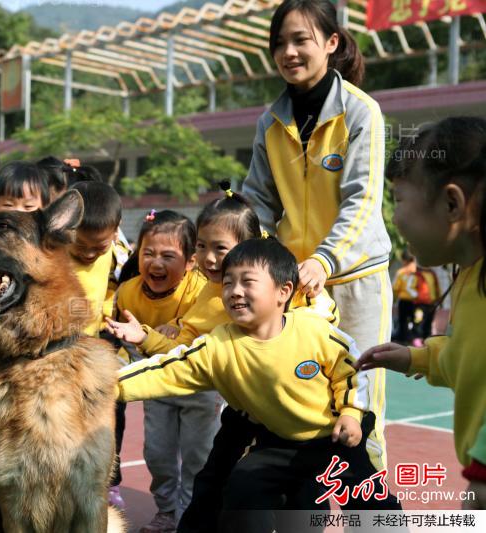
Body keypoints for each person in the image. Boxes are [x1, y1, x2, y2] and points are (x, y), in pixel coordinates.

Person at [117, 238, 401, 533]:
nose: (235, 291)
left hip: (338, 437)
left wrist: (351, 414)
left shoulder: (314, 331)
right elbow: (164, 371)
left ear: (283, 291)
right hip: (279, 442)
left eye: (247, 281)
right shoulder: (217, 345)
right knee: (244, 484)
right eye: (228, 283)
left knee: (371, 503)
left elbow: (349, 371)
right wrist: (106, 385)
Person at [106, 186, 338, 532]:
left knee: (299, 495)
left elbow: (329, 336)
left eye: (220, 248)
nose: (209, 258)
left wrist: (317, 302)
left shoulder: (289, 300)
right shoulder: (211, 299)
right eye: (202, 246)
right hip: (245, 412)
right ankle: (187, 519)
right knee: (216, 483)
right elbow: (182, 353)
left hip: (300, 421)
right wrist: (138, 348)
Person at [241, 0, 391, 472]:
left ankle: (373, 520)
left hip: (354, 283)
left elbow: (362, 201)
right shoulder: (269, 122)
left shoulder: (362, 112)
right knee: (291, 408)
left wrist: (324, 261)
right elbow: (258, 203)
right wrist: (266, 264)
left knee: (359, 413)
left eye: (301, 40)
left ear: (331, 43)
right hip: (295, 287)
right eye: (279, 42)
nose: (288, 52)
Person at [355, 116, 486, 510]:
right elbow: (471, 360)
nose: (394, 218)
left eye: (398, 201)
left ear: (451, 203)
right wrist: (418, 357)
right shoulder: (467, 277)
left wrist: (481, 478)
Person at [113, 209, 217, 532]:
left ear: (190, 262)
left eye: (168, 256)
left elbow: (193, 341)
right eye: (148, 253)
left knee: (198, 456)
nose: (156, 263)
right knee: (157, 453)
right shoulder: (127, 293)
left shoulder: (203, 290)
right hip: (156, 386)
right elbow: (120, 343)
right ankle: (167, 511)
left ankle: (189, 513)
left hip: (198, 386)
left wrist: (151, 336)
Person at [66, 180, 129, 508]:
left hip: (100, 348)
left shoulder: (118, 255)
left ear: (116, 232)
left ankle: (109, 482)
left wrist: (110, 317)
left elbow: (121, 289)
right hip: (64, 350)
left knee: (108, 415)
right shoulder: (55, 251)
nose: (89, 253)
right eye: (82, 246)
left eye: (98, 247)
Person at [392, 251, 417, 343]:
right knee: (415, 320)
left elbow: (395, 287)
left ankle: (403, 338)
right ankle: (414, 338)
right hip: (416, 301)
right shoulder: (418, 272)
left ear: (405, 260)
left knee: (402, 321)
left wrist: (394, 298)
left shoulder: (401, 272)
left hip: (404, 300)